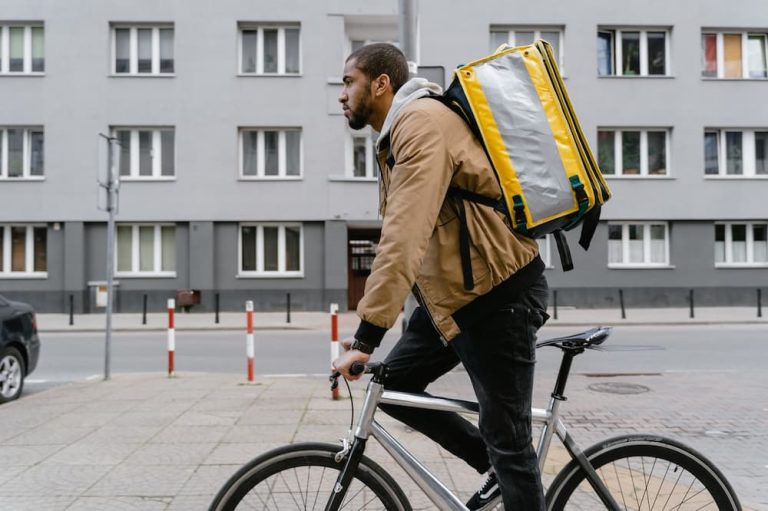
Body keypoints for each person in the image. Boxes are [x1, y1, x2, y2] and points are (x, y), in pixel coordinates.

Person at [333, 43, 550, 510]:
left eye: (348, 82)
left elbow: (403, 236)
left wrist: (365, 336)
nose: (341, 95)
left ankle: (501, 463)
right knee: (389, 386)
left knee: (509, 439)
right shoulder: (398, 135)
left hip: (498, 294)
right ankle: (489, 463)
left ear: (381, 83)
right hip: (457, 297)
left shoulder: (421, 124)